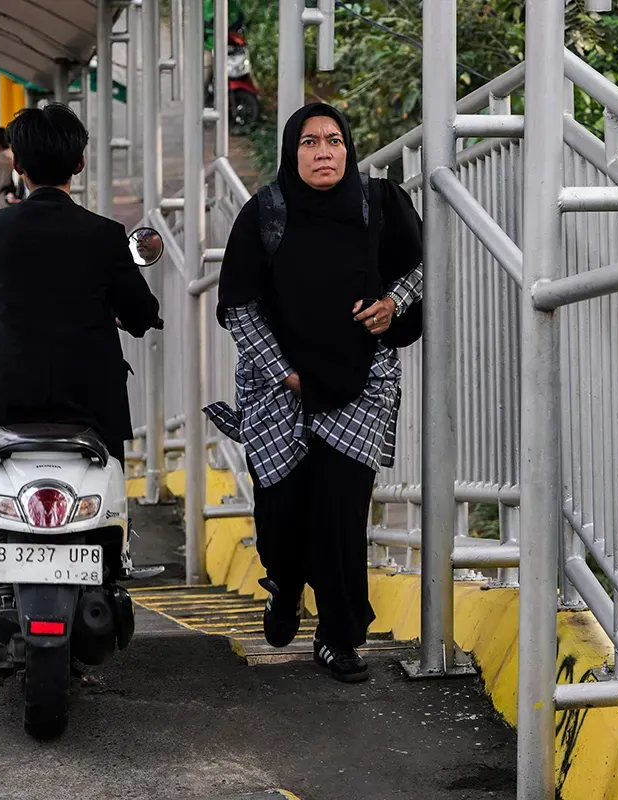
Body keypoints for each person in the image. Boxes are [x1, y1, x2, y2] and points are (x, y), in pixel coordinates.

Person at [204, 103, 423, 683]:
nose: (323, 152)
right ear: (290, 152)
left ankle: (340, 635)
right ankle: (283, 584)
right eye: (308, 142)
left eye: (333, 141)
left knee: (342, 514)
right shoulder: (265, 213)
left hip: (360, 382)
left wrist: (393, 303)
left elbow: (421, 268)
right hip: (281, 388)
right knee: (281, 509)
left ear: (348, 148)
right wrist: (286, 372)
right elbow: (241, 308)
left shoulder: (378, 204)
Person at [0, 103, 161, 577]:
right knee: (110, 456)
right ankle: (119, 542)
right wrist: (128, 316)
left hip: (6, 399)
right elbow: (141, 314)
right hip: (90, 402)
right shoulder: (106, 235)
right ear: (79, 164)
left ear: (18, 166)